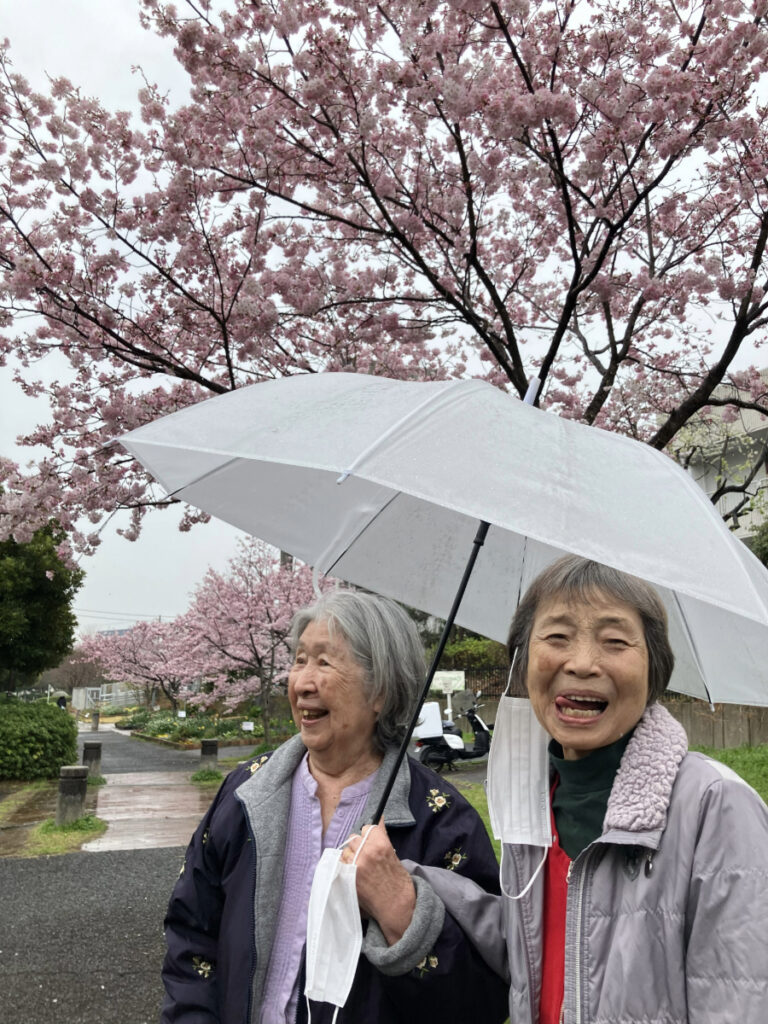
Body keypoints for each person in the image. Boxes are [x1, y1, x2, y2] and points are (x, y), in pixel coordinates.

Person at [363, 555, 768, 1022]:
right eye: (556, 637)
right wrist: (412, 882)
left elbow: (740, 999)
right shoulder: (532, 805)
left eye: (615, 641)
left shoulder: (716, 808)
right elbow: (537, 943)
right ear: (523, 661)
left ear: (654, 669)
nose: (581, 663)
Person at [160, 589, 509, 1024]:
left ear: (381, 690)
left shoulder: (442, 821)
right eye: (299, 660)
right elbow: (191, 933)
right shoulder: (245, 794)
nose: (303, 682)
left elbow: (481, 1001)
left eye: (324, 662)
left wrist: (403, 912)